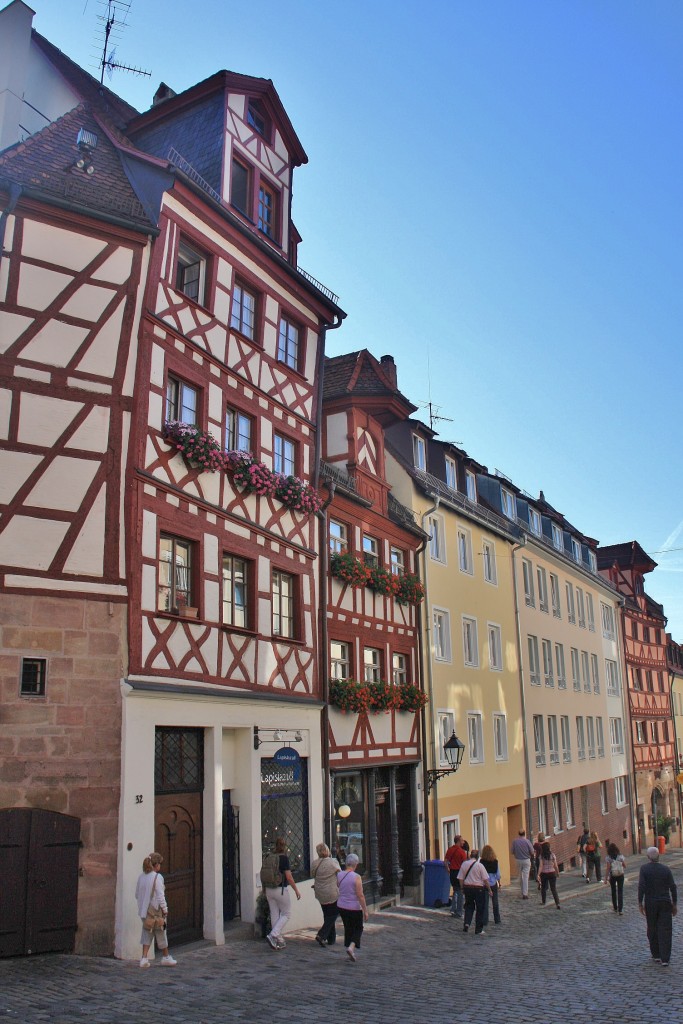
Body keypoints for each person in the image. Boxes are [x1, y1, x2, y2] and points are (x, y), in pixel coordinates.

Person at [135, 852, 177, 968]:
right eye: (160, 864)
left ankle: (144, 958)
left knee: (147, 932)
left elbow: (137, 894)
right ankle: (166, 956)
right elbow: (160, 895)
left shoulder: (141, 876)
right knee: (161, 931)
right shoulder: (157, 877)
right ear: (156, 864)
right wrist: (165, 908)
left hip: (144, 912)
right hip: (155, 911)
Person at [638, 846, 678, 966]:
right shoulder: (665, 869)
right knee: (665, 929)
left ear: (648, 857)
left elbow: (642, 886)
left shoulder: (644, 869)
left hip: (651, 903)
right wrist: (674, 904)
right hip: (665, 902)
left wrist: (640, 902)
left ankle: (656, 954)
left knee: (652, 927)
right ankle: (665, 958)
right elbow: (673, 887)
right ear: (659, 856)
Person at [265, 836, 301, 950]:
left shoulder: (269, 857)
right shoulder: (284, 858)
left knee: (274, 913)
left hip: (269, 889)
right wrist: (296, 890)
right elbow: (289, 877)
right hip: (280, 889)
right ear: (284, 846)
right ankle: (273, 934)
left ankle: (278, 939)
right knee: (287, 913)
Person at [337, 853, 368, 962]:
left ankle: (349, 947)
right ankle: (351, 947)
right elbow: (360, 895)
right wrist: (365, 910)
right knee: (358, 928)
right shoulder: (356, 877)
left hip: (341, 906)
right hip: (354, 907)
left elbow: (338, 887)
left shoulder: (339, 875)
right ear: (356, 864)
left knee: (348, 927)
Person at [457, 848, 492, 935]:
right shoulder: (479, 866)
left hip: (467, 887)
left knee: (469, 906)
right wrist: (490, 890)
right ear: (477, 857)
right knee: (480, 908)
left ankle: (467, 923)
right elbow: (485, 880)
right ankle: (478, 929)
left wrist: (462, 888)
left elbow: (460, 878)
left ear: (470, 856)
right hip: (478, 889)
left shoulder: (464, 864)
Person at [311, 842, 340, 946]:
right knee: (334, 913)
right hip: (331, 892)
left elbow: (313, 874)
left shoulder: (315, 863)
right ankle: (322, 934)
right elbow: (339, 875)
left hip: (320, 892)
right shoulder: (333, 862)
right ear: (327, 851)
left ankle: (331, 938)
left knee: (327, 914)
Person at [444, 835, 467, 918]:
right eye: (462, 840)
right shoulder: (461, 852)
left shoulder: (450, 850)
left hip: (452, 872)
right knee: (460, 891)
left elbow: (445, 861)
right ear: (458, 841)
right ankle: (459, 911)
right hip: (459, 872)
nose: (463, 842)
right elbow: (465, 864)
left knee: (455, 891)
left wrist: (448, 870)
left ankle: (453, 909)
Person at [480, 844, 501, 926]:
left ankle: (485, 920)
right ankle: (497, 919)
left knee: (485, 903)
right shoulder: (495, 862)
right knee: (495, 902)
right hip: (493, 884)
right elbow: (498, 875)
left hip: (484, 884)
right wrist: (499, 882)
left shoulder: (481, 862)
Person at [511, 829, 535, 899]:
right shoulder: (527, 841)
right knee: (525, 877)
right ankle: (525, 893)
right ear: (524, 834)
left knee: (520, 876)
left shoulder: (515, 841)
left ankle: (522, 891)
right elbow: (532, 852)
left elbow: (512, 851)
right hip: (526, 860)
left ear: (518, 834)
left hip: (518, 860)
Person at [538, 841, 561, 909]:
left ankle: (543, 901)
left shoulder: (541, 856)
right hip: (552, 873)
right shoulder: (552, 855)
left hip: (544, 873)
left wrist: (538, 874)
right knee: (553, 889)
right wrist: (557, 872)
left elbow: (541, 866)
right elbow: (556, 865)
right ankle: (557, 903)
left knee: (543, 888)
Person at [605, 842, 627, 914]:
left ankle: (615, 907)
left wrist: (606, 878)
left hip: (613, 875)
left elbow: (608, 868)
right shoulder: (620, 856)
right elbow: (624, 865)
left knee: (613, 891)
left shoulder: (608, 857)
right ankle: (620, 909)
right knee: (620, 891)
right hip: (620, 875)